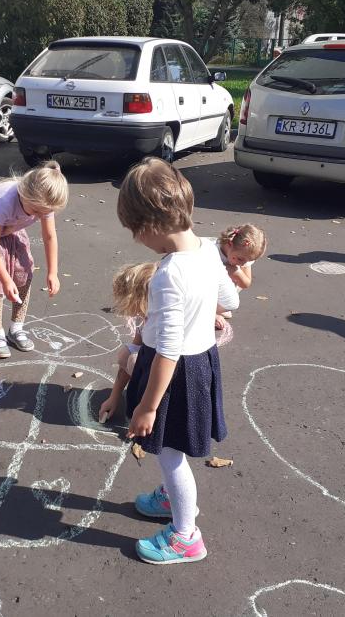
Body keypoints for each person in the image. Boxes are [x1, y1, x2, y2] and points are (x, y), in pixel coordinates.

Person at [114, 157, 239, 565]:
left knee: (170, 454)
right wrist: (204, 306)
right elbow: (231, 299)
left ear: (150, 225)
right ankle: (171, 498)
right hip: (200, 362)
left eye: (136, 231)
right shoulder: (206, 249)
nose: (138, 241)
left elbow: (168, 348)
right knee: (173, 450)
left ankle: (187, 536)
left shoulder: (169, 274)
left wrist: (148, 407)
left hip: (174, 372)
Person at [0, 162, 68, 359]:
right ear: (24, 194)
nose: (39, 216)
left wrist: (53, 272)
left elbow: (49, 236)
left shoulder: (44, 202)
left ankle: (16, 328)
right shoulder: (3, 200)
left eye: (43, 213)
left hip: (10, 229)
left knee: (24, 273)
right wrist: (6, 280)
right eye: (35, 211)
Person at [98, 262, 158, 424]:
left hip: (173, 378)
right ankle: (145, 399)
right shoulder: (143, 319)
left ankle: (156, 410)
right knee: (128, 355)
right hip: (156, 369)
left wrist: (147, 409)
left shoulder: (165, 322)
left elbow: (169, 361)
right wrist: (114, 397)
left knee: (135, 360)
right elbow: (134, 349)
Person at [213, 223, 267, 328]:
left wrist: (236, 272)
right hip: (203, 288)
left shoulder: (243, 255)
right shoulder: (212, 251)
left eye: (248, 261)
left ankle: (217, 308)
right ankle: (208, 312)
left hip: (220, 291)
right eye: (240, 259)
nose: (242, 264)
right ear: (229, 244)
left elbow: (246, 283)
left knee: (231, 302)